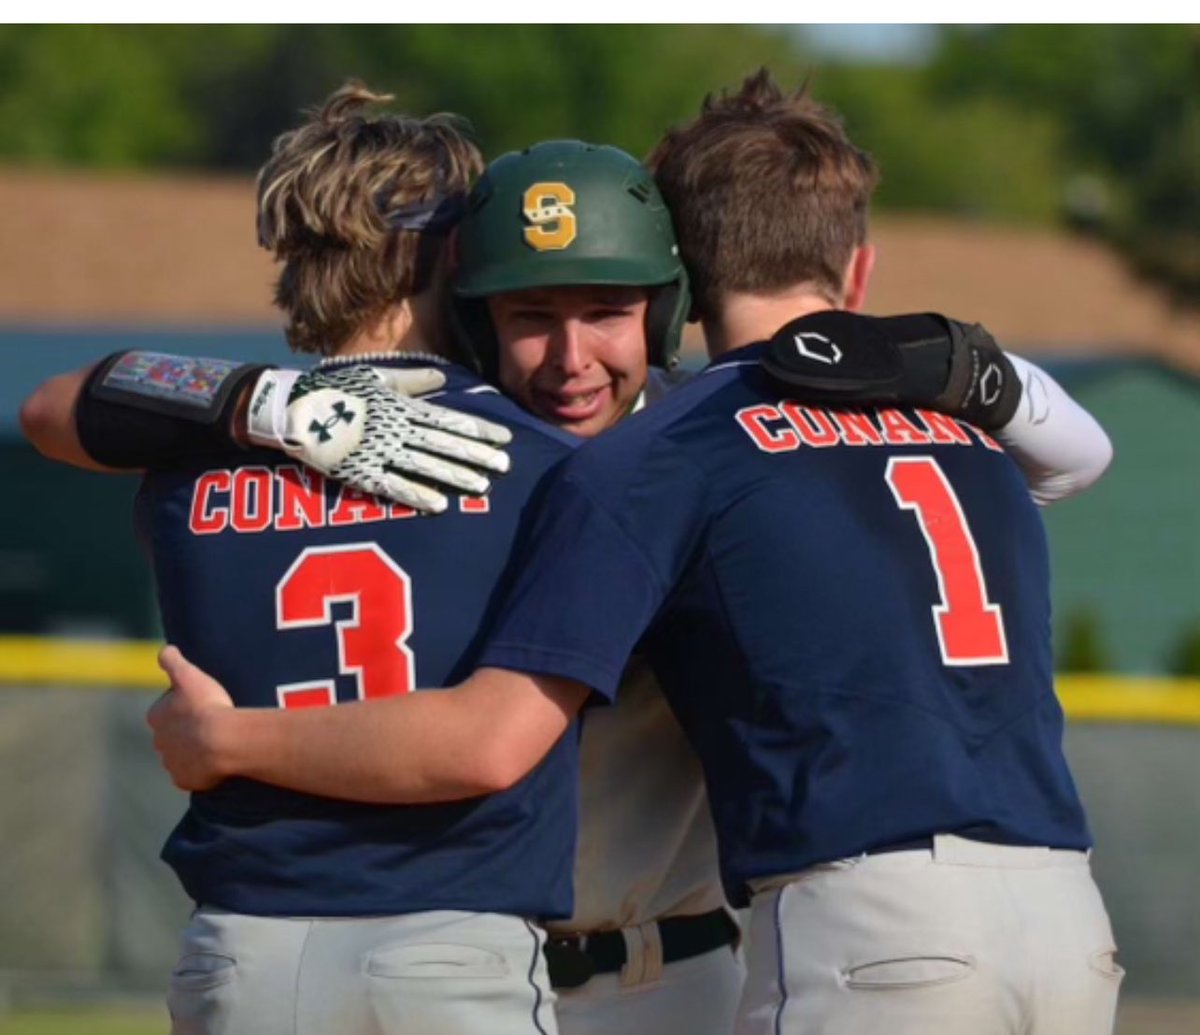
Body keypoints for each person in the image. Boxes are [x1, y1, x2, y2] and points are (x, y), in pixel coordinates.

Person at [144, 72, 1120, 1035]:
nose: (572, 358)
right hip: (477, 959)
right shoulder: (556, 458)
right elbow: (1077, 452)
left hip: (668, 963)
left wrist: (231, 736)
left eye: (607, 311)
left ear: (669, 304)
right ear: (475, 310)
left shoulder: (673, 459)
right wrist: (954, 363)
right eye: (531, 315)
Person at [26, 81, 582, 1035]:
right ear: (457, 253)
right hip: (448, 940)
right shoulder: (534, 458)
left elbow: (54, 406)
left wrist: (256, 404)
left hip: (240, 948)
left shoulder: (191, 452)